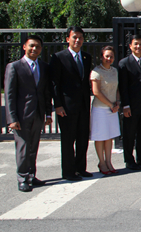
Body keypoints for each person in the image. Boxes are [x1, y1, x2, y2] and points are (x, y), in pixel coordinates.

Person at [4, 35, 53, 192]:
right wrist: (12, 118)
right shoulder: (15, 67)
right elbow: (9, 95)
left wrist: (47, 114)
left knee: (33, 146)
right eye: (31, 46)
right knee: (23, 147)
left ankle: (31, 175)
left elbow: (45, 92)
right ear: (24, 47)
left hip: (37, 114)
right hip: (21, 116)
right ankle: (22, 177)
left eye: (37, 46)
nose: (34, 49)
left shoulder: (44, 67)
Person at [50, 26, 93, 181]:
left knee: (83, 138)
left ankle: (81, 168)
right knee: (68, 140)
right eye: (74, 37)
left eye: (80, 37)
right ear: (68, 39)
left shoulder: (87, 57)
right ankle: (68, 172)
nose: (77, 40)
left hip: (83, 105)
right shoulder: (58, 57)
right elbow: (55, 83)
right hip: (66, 107)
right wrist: (58, 105)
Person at [118, 34, 141, 170]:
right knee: (129, 134)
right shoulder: (124, 63)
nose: (138, 46)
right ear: (130, 46)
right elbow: (123, 87)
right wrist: (125, 105)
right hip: (131, 106)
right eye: (135, 44)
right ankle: (129, 160)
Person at [90, 46, 120, 175]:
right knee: (100, 137)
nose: (109, 58)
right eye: (106, 56)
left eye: (111, 56)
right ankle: (101, 162)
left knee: (109, 137)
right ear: (101, 57)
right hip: (100, 109)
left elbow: (117, 89)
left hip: (112, 108)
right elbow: (96, 92)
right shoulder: (96, 72)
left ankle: (108, 161)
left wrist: (117, 103)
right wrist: (110, 104)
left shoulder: (114, 71)